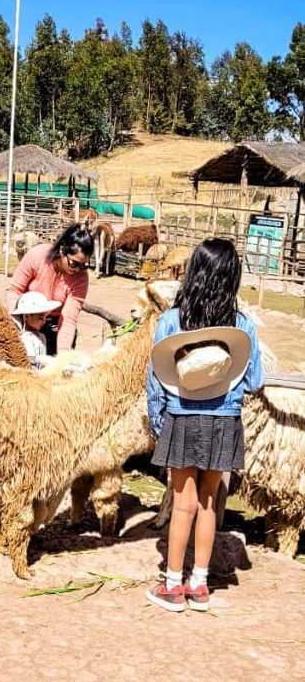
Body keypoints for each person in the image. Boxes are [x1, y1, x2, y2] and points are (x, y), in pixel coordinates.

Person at [146, 238, 264, 613]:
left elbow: (157, 380)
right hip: (224, 420)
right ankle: (199, 585)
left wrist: (158, 420)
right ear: (232, 278)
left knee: (183, 504)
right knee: (211, 503)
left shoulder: (171, 321)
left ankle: (172, 585)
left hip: (183, 416)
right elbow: (255, 380)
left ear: (193, 272)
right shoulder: (243, 326)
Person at [5, 224, 93, 355]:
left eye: (82, 265)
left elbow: (69, 319)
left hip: (56, 325)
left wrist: (62, 357)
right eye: (74, 263)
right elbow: (13, 290)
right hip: (27, 320)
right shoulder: (37, 256)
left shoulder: (81, 278)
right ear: (63, 250)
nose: (77, 269)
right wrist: (21, 323)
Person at [11, 291, 62, 369]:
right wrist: (40, 359)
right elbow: (27, 359)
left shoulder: (42, 337)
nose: (44, 321)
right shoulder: (25, 338)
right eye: (40, 318)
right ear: (26, 317)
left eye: (45, 318)